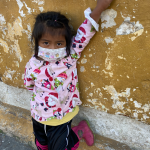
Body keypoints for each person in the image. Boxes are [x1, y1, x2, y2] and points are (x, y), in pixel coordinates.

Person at [24, 0, 113, 149]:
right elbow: (28, 84)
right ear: (37, 41)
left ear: (66, 43)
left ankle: (79, 131)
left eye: (59, 43)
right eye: (46, 43)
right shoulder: (33, 63)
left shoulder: (70, 56)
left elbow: (84, 34)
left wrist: (100, 8)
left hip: (62, 117)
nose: (52, 48)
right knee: (41, 145)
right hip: (38, 116)